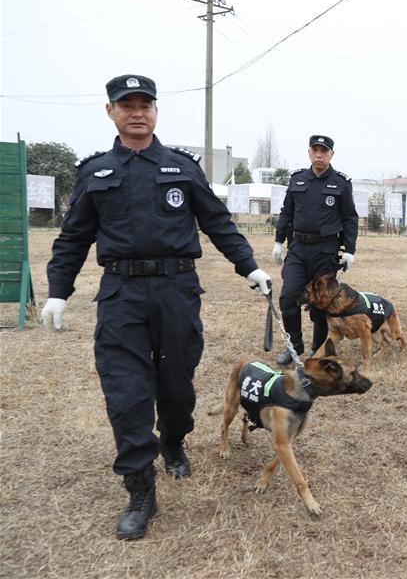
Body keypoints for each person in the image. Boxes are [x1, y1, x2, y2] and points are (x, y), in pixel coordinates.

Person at [40, 74, 272, 540]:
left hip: (176, 292)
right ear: (111, 112)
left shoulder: (181, 167)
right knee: (126, 393)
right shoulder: (96, 171)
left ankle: (174, 440)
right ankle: (140, 489)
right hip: (121, 295)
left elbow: (217, 221)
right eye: (127, 105)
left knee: (177, 388)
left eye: (145, 104)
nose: (137, 112)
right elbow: (72, 239)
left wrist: (248, 266)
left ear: (156, 111)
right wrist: (57, 291)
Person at [273, 135, 358, 364]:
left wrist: (349, 249)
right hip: (298, 249)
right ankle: (295, 345)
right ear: (309, 152)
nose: (319, 154)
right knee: (288, 297)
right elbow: (286, 213)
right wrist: (279, 241)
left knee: (321, 304)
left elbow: (350, 217)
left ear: (331, 154)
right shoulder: (297, 179)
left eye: (324, 151)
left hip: (325, 250)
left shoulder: (341, 183)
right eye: (315, 150)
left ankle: (318, 349)